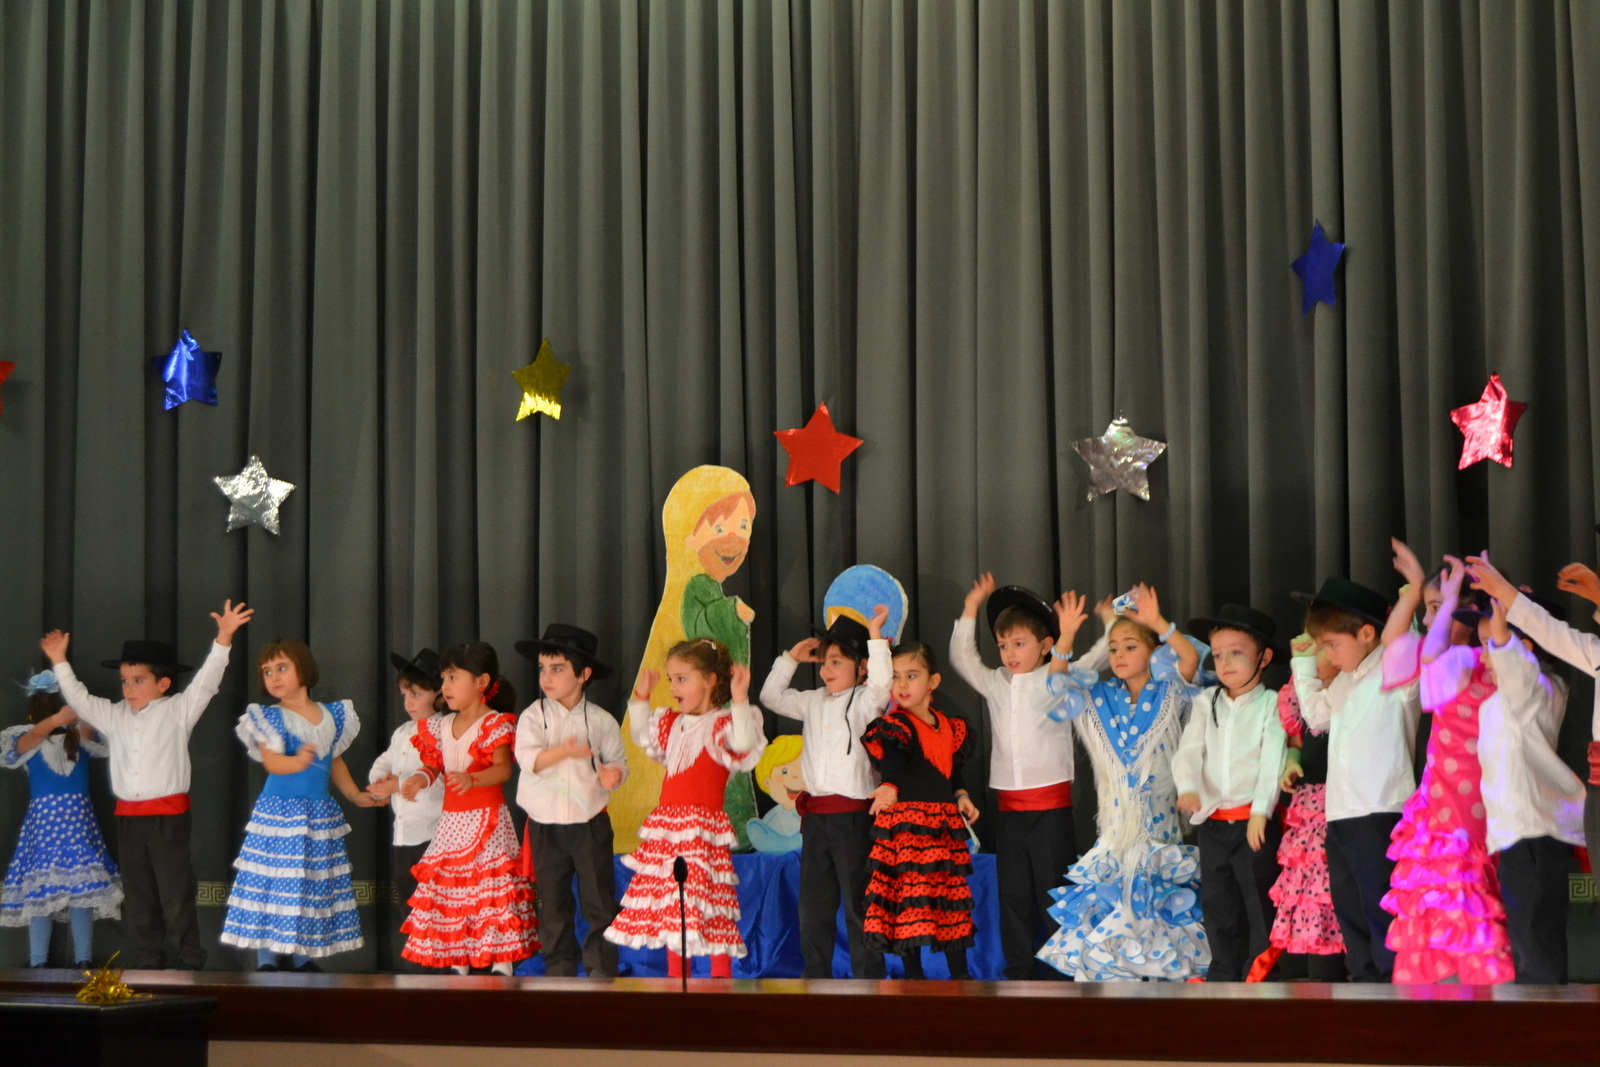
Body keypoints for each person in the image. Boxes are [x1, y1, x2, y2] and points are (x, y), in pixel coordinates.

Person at [40, 600, 253, 969]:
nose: (129, 688)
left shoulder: (178, 710)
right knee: (138, 895)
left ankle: (189, 958)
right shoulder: (114, 715)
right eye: (125, 680)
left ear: (163, 683)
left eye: (138, 680)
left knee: (175, 892)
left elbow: (207, 682)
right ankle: (147, 958)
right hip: (129, 818)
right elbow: (79, 699)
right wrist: (59, 660)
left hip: (168, 816)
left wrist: (223, 638)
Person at [1036, 587, 1209, 981]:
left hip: (1158, 831)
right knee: (1111, 913)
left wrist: (1157, 622)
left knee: (1160, 911)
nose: (1118, 655)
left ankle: (1163, 990)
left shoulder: (1170, 693)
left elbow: (1189, 659)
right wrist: (1066, 635)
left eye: (1130, 647)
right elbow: (1058, 685)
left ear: (1153, 652)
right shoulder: (1099, 697)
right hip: (1116, 835)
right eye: (1113, 648)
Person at [606, 639, 764, 978]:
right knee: (673, 903)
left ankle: (720, 977)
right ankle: (678, 978)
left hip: (702, 830)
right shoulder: (670, 724)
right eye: (670, 679)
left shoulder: (724, 724)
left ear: (709, 680)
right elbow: (642, 736)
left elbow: (744, 742)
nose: (673, 687)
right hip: (668, 831)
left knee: (710, 902)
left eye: (681, 678)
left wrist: (739, 698)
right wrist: (641, 698)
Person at [1289, 576, 1420, 983]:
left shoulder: (1395, 669)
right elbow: (1315, 716)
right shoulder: (1344, 680)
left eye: (1332, 644)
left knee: (1382, 904)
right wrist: (1303, 664)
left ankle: (1392, 985)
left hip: (1381, 809)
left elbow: (1405, 644)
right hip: (1341, 812)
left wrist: (1410, 604)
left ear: (1366, 634)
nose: (1327, 654)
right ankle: (1364, 983)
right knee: (1350, 905)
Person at [948, 574, 1079, 980]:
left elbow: (1073, 669)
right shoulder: (996, 683)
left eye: (1019, 643)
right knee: (1014, 894)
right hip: (1008, 810)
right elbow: (962, 657)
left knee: (1054, 891)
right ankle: (1018, 970)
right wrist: (970, 606)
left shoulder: (1058, 676)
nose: (1009, 653)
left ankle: (1061, 973)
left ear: (1045, 645)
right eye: (1003, 645)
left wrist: (1068, 636)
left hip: (1051, 810)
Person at [221, 640, 380, 971]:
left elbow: (335, 762)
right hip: (280, 813)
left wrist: (354, 794)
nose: (274, 677)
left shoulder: (332, 715)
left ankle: (302, 957)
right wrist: (298, 761)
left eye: (282, 668)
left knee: (310, 881)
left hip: (317, 813)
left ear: (304, 670)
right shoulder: (269, 717)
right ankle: (267, 958)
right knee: (274, 880)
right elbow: (272, 762)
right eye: (267, 672)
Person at [1467, 551, 1589, 983]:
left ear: (1526, 648)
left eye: (1492, 643)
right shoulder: (1507, 696)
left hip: (1534, 830)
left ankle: (1544, 1010)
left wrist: (1503, 626)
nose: (1485, 654)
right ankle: (1536, 1004)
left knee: (1536, 931)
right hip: (1517, 830)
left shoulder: (1534, 687)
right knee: (1526, 932)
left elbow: (1515, 666)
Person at [758, 607, 892, 978]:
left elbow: (882, 685)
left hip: (854, 819)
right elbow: (771, 696)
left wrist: (875, 636)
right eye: (824, 662)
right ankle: (816, 979)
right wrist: (790, 660)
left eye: (836, 662)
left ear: (861, 667)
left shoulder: (865, 701)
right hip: (816, 820)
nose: (826, 670)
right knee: (813, 909)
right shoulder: (813, 701)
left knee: (859, 906)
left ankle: (868, 982)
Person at [399, 642, 538, 974]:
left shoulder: (494, 723)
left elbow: (503, 769)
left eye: (453, 678)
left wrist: (473, 779)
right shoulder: (441, 726)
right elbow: (434, 765)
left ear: (481, 682)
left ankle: (501, 958)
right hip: (452, 822)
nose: (445, 686)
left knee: (490, 886)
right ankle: (458, 955)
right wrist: (419, 779)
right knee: (454, 886)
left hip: (487, 819)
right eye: (443, 679)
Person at [1172, 605, 1287, 982]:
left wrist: (1261, 811)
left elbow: (1272, 760)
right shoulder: (1206, 702)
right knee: (1218, 903)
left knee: (1258, 900)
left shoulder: (1271, 704)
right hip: (1214, 825)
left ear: (1263, 658)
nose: (1225, 662)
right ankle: (1222, 972)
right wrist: (1189, 787)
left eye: (1236, 652)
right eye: (1218, 654)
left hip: (1252, 824)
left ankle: (1263, 972)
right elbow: (1188, 752)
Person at [513, 624, 628, 978]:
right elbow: (528, 760)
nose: (546, 678)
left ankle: (601, 969)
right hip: (545, 824)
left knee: (599, 901)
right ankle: (560, 969)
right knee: (554, 903)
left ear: (583, 674)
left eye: (557, 669)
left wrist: (614, 775)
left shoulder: (602, 721)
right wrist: (563, 751)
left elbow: (618, 761)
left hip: (590, 822)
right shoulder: (534, 715)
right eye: (543, 669)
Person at [861, 640, 979, 979]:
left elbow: (949, 769)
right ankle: (913, 977)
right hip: (909, 828)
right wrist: (889, 786)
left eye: (911, 675)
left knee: (947, 899)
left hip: (941, 827)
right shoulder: (895, 725)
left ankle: (961, 978)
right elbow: (893, 764)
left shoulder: (947, 726)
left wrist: (961, 794)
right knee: (908, 900)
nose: (902, 684)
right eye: (895, 676)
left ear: (933, 681)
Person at [0, 671, 121, 967]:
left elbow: (90, 732)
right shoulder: (29, 738)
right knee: (47, 891)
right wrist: (59, 718)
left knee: (79, 890)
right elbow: (31, 739)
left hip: (63, 824)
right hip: (54, 824)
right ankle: (43, 961)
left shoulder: (79, 737)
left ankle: (76, 960)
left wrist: (72, 716)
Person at [1249, 657, 1347, 981]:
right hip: (1310, 807)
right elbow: (1297, 739)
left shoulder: (1351, 687)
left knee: (1340, 888)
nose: (1318, 658)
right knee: (1312, 892)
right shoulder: (1300, 692)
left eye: (1326, 647)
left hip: (1343, 799)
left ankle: (1352, 971)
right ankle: (1322, 975)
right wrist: (1292, 762)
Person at [366, 648, 447, 972]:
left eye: (416, 694)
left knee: (435, 900)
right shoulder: (402, 732)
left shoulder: (444, 729)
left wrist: (398, 784)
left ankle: (441, 964)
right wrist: (378, 781)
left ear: (438, 694)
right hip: (404, 835)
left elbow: (436, 777)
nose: (408, 702)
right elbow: (384, 761)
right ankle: (418, 961)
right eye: (404, 695)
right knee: (408, 898)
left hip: (433, 834)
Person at [747, 735, 804, 854]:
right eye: (784, 771)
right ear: (767, 781)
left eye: (803, 770)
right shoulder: (773, 816)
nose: (795, 776)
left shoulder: (810, 814)